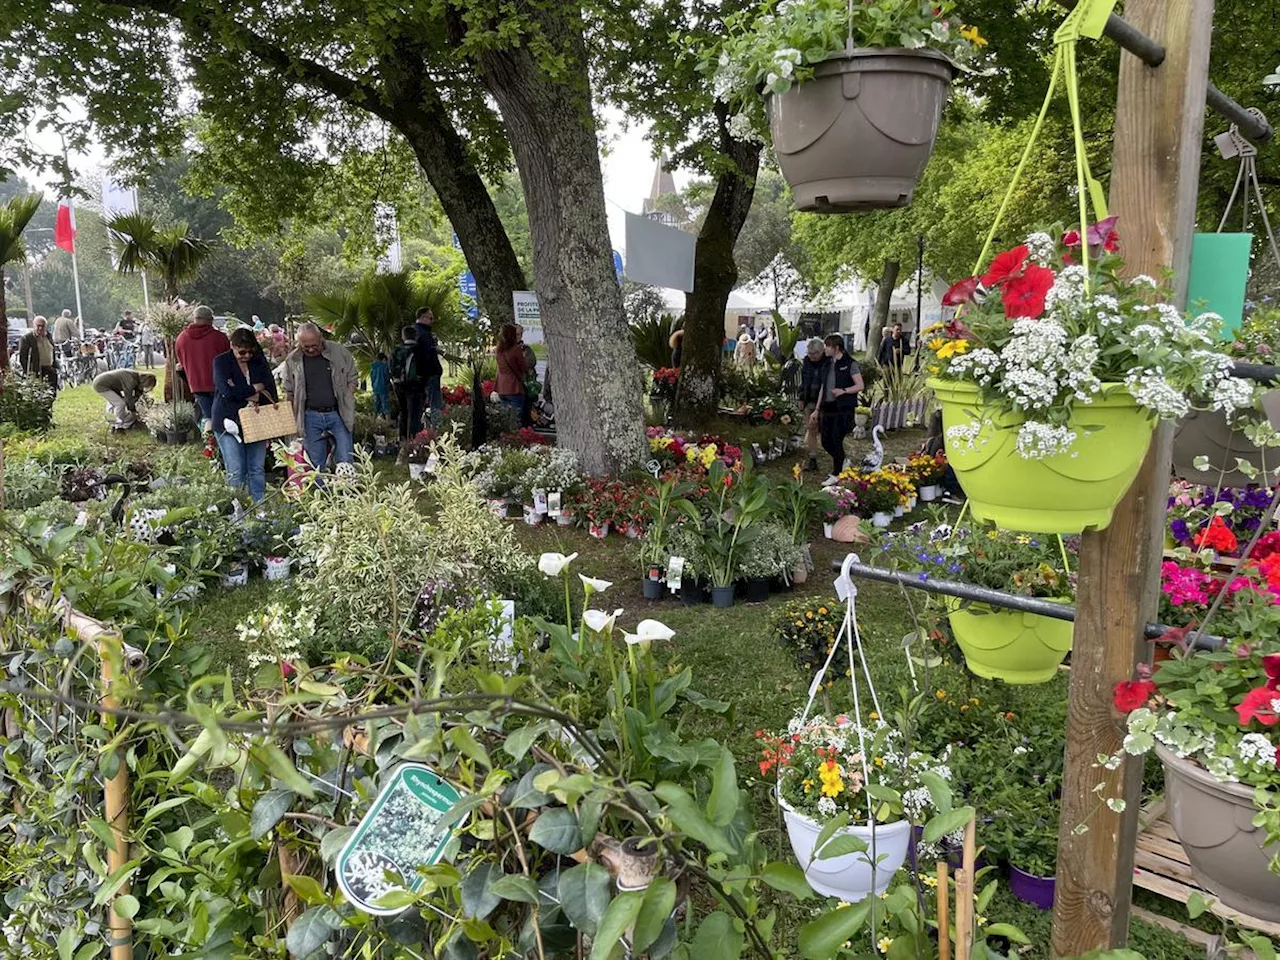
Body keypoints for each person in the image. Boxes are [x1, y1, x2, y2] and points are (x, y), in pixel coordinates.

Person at [212, 328, 278, 502]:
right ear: (232, 346)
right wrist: (254, 389)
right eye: (242, 352)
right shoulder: (221, 362)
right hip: (229, 421)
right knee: (236, 469)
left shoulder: (259, 361)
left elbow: (270, 389)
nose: (247, 356)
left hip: (256, 420)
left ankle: (259, 507)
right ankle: (237, 509)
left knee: (257, 468)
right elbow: (226, 391)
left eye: (250, 351)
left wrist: (242, 391)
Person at [280, 322, 357, 469]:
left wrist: (348, 395)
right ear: (299, 343)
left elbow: (352, 377)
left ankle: (347, 489)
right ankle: (322, 489)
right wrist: (291, 419)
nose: (310, 349)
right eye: (305, 346)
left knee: (346, 457)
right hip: (310, 416)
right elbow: (288, 391)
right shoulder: (293, 360)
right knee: (315, 461)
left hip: (338, 412)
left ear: (321, 338)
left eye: (314, 345)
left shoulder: (338, 351)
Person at [810, 334, 864, 484]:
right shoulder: (827, 364)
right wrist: (816, 409)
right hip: (828, 407)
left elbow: (860, 385)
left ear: (836, 348)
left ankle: (836, 473)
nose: (825, 349)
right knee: (826, 440)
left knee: (836, 438)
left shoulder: (850, 364)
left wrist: (844, 391)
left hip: (843, 408)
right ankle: (842, 460)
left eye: (827, 346)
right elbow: (823, 387)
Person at [175, 305, 231, 424]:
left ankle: (209, 439)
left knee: (208, 416)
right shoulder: (219, 337)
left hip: (196, 383)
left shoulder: (181, 339)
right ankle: (216, 439)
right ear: (209, 320)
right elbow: (229, 360)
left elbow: (181, 363)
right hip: (219, 383)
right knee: (221, 417)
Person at [798, 338, 826, 472]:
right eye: (809, 353)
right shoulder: (807, 361)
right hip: (810, 399)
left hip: (826, 401)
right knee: (811, 428)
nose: (811, 356)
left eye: (814, 353)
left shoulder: (828, 362)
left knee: (826, 431)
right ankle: (812, 458)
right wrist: (801, 397)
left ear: (821, 351)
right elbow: (803, 381)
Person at [414, 306, 444, 426]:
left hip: (420, 375)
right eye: (430, 318)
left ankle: (421, 428)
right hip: (430, 373)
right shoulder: (424, 334)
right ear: (423, 317)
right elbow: (426, 356)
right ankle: (437, 428)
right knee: (435, 403)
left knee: (420, 404)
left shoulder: (415, 331)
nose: (432, 321)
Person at [495, 323, 528, 418]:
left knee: (505, 418)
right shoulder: (516, 350)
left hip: (501, 387)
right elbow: (523, 367)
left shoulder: (499, 351)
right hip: (514, 387)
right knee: (515, 419)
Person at [18, 316, 57, 392]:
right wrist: (29, 373)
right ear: (34, 325)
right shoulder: (27, 338)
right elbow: (23, 358)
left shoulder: (49, 336)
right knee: (39, 393)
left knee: (52, 393)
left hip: (49, 369)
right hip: (37, 371)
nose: (40, 328)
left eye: (42, 326)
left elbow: (52, 351)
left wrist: (55, 367)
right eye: (38, 326)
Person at [370, 351, 391, 417]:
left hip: (375, 388)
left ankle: (374, 420)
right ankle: (388, 420)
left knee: (376, 405)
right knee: (385, 405)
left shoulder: (373, 367)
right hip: (383, 387)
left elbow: (372, 378)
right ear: (384, 359)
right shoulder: (384, 366)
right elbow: (387, 377)